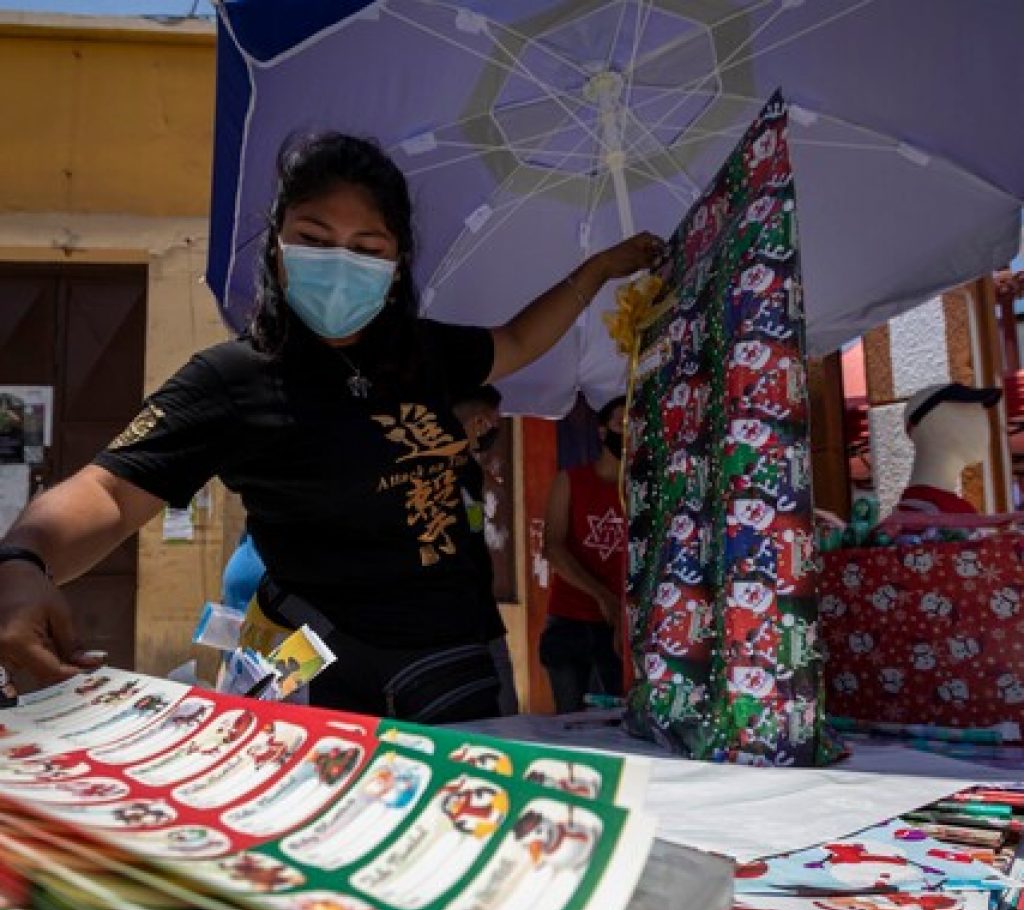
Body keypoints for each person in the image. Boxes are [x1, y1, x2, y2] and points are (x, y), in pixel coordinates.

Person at [0, 132, 662, 724]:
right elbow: (112, 492)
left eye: (366, 248)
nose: (340, 263)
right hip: (310, 662)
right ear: (278, 245)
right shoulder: (233, 379)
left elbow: (518, 339)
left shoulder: (427, 353)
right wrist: (23, 563)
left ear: (397, 262)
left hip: (455, 658)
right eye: (314, 240)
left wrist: (599, 270)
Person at [539, 396, 627, 713]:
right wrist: (603, 596)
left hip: (621, 627)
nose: (627, 432)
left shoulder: (642, 489)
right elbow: (553, 547)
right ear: (602, 431)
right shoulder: (571, 480)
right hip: (570, 618)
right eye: (621, 424)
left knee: (619, 717)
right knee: (568, 718)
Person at [452, 385, 517, 715]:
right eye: (493, 422)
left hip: (483, 617)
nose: (494, 429)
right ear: (478, 423)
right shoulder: (429, 474)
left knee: (504, 715)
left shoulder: (470, 471)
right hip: (450, 624)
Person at [896, 382, 1002, 515]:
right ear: (932, 424)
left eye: (982, 414)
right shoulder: (926, 518)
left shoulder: (939, 512)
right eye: (970, 414)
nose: (985, 426)